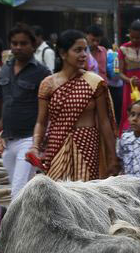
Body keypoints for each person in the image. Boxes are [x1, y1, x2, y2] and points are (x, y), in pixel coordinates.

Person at [30, 29, 117, 182]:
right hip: (56, 145)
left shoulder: (94, 82)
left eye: (85, 50)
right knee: (57, 196)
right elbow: (41, 122)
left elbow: (104, 122)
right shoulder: (48, 84)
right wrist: (35, 147)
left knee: (85, 196)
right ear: (63, 53)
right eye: (78, 50)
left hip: (87, 145)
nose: (84, 54)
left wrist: (112, 157)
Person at [0, 24, 51, 199]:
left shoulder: (42, 72)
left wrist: (44, 140)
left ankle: (12, 226)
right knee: (21, 188)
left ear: (33, 45)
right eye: (14, 43)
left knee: (18, 191)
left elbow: (49, 108)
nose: (18, 47)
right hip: (8, 139)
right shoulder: (6, 68)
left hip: (29, 139)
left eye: (23, 43)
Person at [115, 19, 140, 131]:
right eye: (132, 37)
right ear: (129, 33)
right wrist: (130, 80)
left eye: (137, 37)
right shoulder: (122, 49)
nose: (134, 40)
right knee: (131, 113)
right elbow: (119, 72)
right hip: (131, 89)